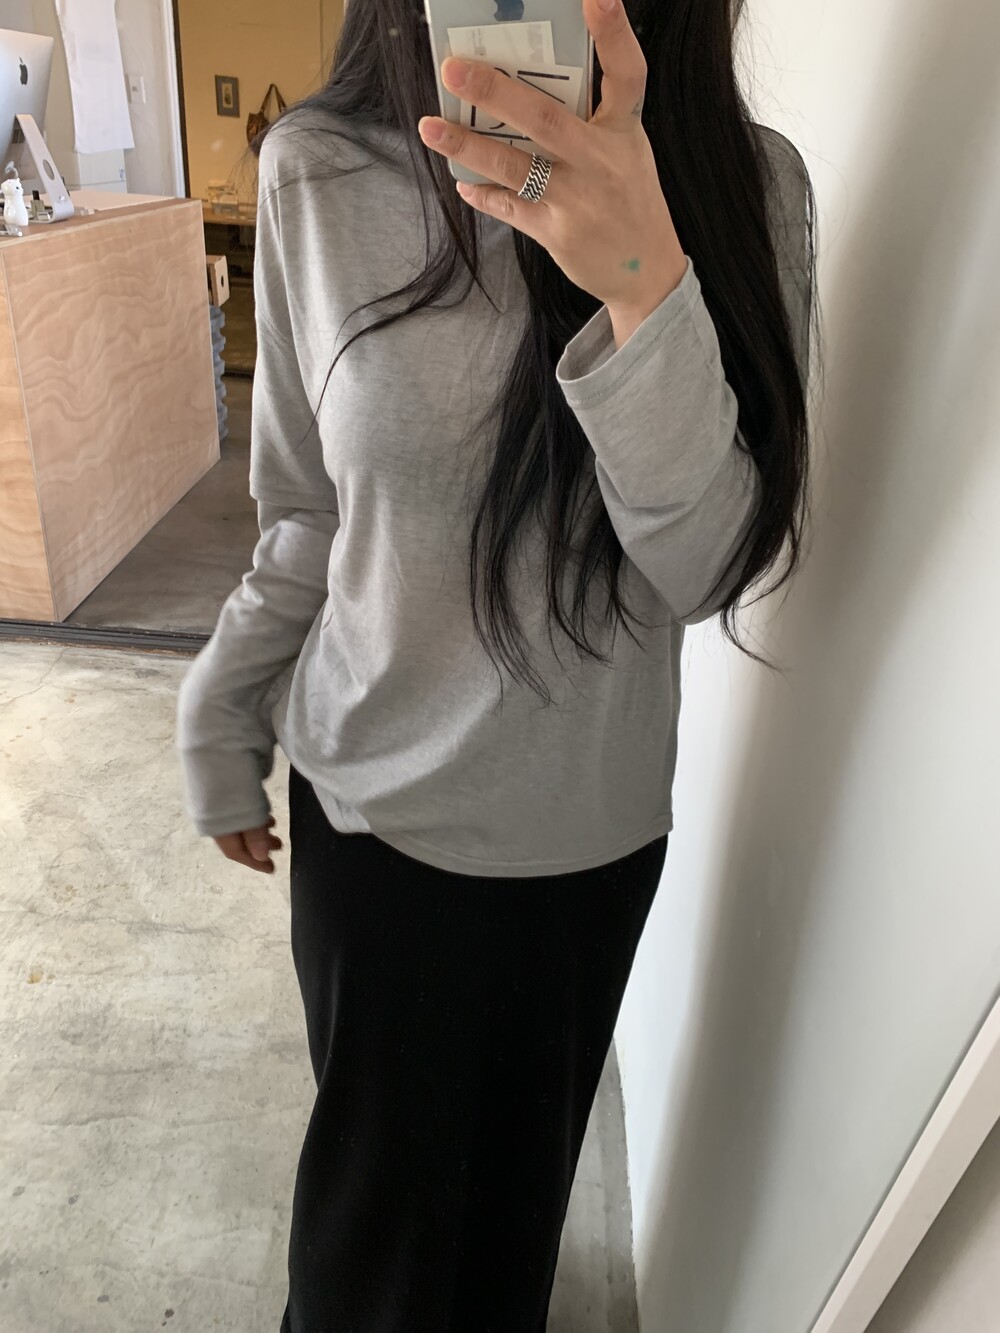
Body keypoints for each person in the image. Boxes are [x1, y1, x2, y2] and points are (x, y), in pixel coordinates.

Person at [176, 0, 819, 1328]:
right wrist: (222, 701)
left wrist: (645, 282)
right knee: (365, 1255)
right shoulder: (319, 168)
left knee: (506, 1241)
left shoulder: (751, 189)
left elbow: (704, 570)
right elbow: (304, 509)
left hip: (585, 846)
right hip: (369, 823)